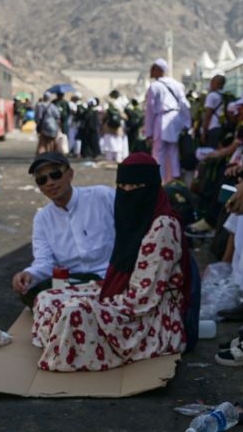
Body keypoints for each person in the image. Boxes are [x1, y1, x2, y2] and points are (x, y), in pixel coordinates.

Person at [31, 153, 192, 371]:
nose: (127, 193)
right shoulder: (135, 217)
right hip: (117, 289)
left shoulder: (162, 227)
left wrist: (95, 307)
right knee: (46, 298)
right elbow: (43, 261)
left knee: (73, 312)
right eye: (122, 186)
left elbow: (142, 300)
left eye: (135, 186)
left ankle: (67, 341)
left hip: (150, 318)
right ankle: (65, 339)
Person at [12, 152, 116, 305]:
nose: (50, 183)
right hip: (71, 284)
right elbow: (45, 262)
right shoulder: (43, 218)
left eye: (55, 174)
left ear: (70, 174)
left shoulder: (102, 196)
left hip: (108, 278)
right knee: (30, 292)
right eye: (42, 180)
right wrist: (29, 274)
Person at [144, 59, 191, 182]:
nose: (151, 71)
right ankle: (174, 177)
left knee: (159, 151)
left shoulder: (154, 87)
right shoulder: (176, 84)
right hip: (176, 120)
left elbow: (150, 110)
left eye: (153, 68)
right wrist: (187, 123)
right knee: (173, 150)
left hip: (162, 120)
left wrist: (148, 132)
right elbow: (184, 104)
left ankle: (159, 178)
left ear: (159, 70)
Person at [201, 74, 228, 146]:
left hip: (212, 128)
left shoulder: (211, 96)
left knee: (210, 152)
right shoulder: (223, 96)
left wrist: (204, 132)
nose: (210, 84)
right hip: (221, 127)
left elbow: (208, 115)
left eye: (212, 82)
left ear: (218, 84)